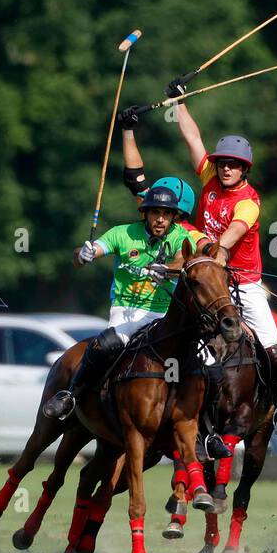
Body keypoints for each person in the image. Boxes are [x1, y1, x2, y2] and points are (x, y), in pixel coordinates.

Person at [165, 79, 277, 436]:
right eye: (222, 162)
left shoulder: (249, 201)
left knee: (276, 354)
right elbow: (193, 139)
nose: (225, 168)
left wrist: (218, 251)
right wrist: (179, 102)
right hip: (206, 279)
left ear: (245, 170)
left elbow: (232, 235)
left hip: (244, 283)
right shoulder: (209, 178)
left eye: (233, 165)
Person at [41, 180, 204, 419]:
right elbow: (87, 254)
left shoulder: (181, 236)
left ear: (174, 217)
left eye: (166, 214)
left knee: (202, 356)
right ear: (145, 214)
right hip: (128, 309)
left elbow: (182, 260)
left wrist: (166, 268)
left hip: (165, 312)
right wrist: (83, 254)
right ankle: (71, 395)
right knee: (105, 346)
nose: (160, 219)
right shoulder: (122, 233)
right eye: (155, 213)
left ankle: (207, 426)